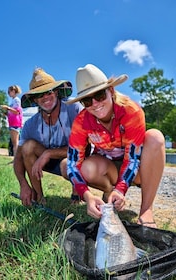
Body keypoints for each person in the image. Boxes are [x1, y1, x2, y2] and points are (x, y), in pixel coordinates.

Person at [66, 64, 165, 228]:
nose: (95, 104)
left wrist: (121, 189)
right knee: (86, 168)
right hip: (108, 167)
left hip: (138, 169)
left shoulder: (131, 111)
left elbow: (133, 158)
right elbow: (72, 163)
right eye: (87, 100)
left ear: (111, 91)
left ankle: (146, 210)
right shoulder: (81, 122)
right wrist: (87, 196)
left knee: (155, 137)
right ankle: (108, 192)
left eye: (99, 95)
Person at [14, 67, 83, 206]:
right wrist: (23, 184)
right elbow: (18, 159)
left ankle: (77, 194)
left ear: (56, 92)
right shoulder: (29, 125)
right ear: (34, 99)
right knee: (27, 147)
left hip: (74, 158)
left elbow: (83, 148)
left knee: (73, 159)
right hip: (47, 162)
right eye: (40, 95)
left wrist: (49, 153)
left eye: (49, 92)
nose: (45, 97)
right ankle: (39, 197)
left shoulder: (74, 108)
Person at [1, 85, 23, 157]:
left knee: (15, 142)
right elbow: (12, 113)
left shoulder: (16, 100)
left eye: (9, 91)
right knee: (14, 143)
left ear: (13, 91)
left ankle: (16, 159)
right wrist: (5, 113)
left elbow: (17, 112)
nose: (8, 93)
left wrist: (7, 108)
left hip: (15, 123)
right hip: (12, 123)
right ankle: (15, 159)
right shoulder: (13, 100)